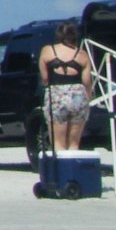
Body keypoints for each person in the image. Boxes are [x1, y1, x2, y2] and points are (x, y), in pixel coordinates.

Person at [37, 20, 92, 153]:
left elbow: (45, 78)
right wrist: (88, 99)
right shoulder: (82, 54)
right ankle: (72, 172)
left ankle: (61, 172)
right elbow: (87, 82)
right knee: (74, 144)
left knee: (58, 144)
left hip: (57, 95)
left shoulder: (47, 50)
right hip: (78, 95)